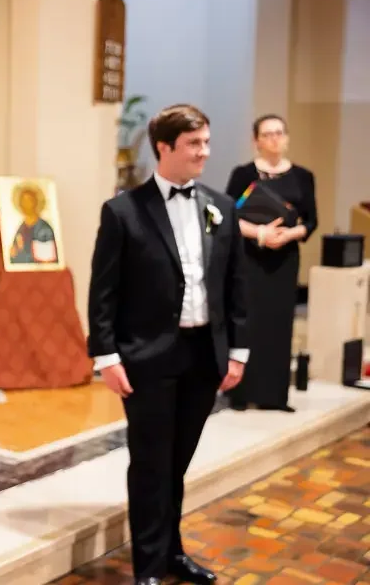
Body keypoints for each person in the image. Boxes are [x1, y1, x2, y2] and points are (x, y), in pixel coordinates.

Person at [87, 104, 249, 585]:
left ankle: (173, 552)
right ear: (165, 147)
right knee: (151, 466)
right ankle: (149, 568)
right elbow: (103, 291)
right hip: (148, 358)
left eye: (206, 142)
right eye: (194, 143)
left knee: (177, 464)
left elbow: (235, 284)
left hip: (205, 356)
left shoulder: (219, 206)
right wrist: (107, 356)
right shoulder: (123, 211)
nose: (205, 152)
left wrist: (238, 351)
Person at [224, 114, 317, 412]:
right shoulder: (243, 174)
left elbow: (312, 221)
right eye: (268, 134)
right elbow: (228, 217)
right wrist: (260, 234)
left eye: (279, 133)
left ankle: (275, 396)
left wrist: (289, 234)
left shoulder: (303, 176)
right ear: (256, 141)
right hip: (250, 258)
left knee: (278, 324)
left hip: (284, 260)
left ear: (287, 137)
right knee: (249, 322)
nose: (275, 139)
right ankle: (241, 393)